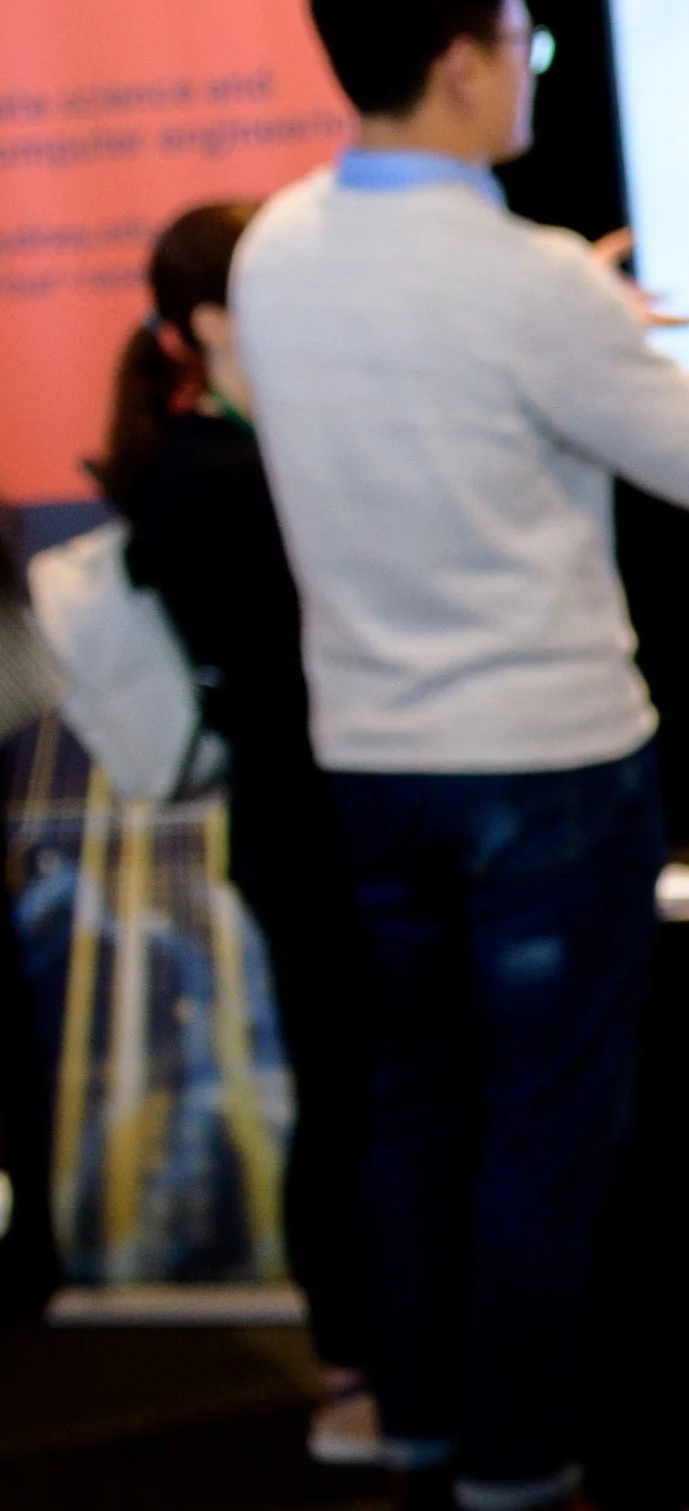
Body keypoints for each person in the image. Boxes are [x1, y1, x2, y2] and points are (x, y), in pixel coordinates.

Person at [233, 0, 689, 1511]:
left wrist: (577, 309)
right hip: (542, 762)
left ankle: (424, 1437)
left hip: (371, 761)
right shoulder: (529, 281)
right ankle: (522, 1472)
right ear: (465, 59)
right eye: (520, 36)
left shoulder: (273, 247)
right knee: (542, 1131)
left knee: (418, 1104)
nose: (530, 62)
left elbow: (427, 378)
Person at [93, 201, 385, 1465]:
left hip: (327, 807)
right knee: (346, 1085)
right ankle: (356, 1375)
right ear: (213, 318)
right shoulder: (207, 472)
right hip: (301, 815)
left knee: (374, 1080)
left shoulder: (242, 451)